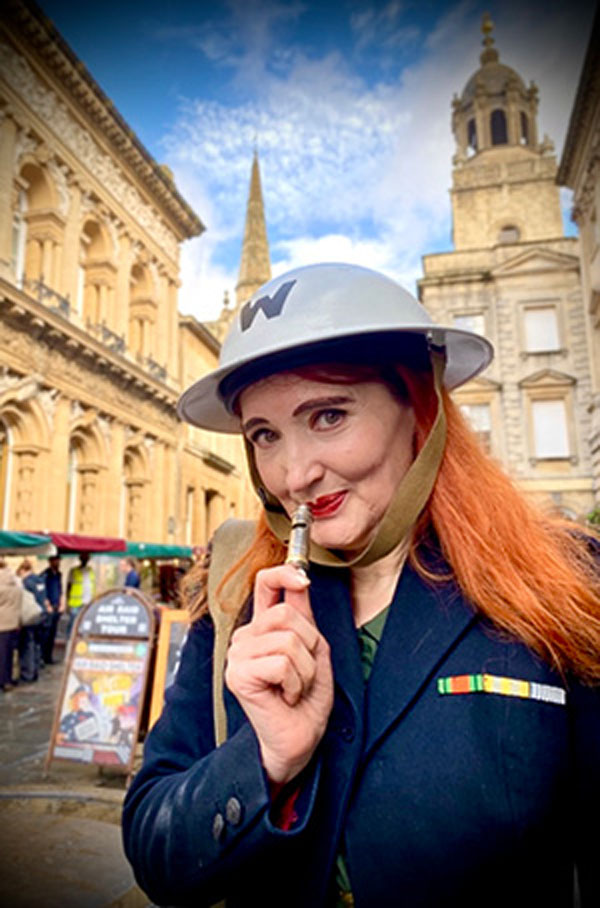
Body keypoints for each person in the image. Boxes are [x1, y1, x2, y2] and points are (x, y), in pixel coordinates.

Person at [122, 263, 600, 908]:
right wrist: (265, 760)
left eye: (327, 416)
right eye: (265, 435)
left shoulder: (565, 581)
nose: (294, 474)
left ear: (419, 407)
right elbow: (158, 852)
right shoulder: (238, 595)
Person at [16, 559, 46, 682]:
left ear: (23, 570)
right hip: (40, 614)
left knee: (27, 644)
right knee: (36, 644)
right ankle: (35, 670)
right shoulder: (40, 580)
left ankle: (27, 673)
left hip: (28, 617)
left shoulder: (26, 583)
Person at [0, 558, 21, 692]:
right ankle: (7, 680)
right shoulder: (16, 586)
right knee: (8, 654)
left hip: (1, 623)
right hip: (13, 623)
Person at [40, 554, 64, 665]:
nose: (58, 563)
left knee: (52, 634)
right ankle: (42, 657)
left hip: (56, 607)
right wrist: (47, 605)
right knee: (45, 634)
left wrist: (62, 603)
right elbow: (42, 592)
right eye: (55, 561)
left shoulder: (58, 574)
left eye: (58, 560)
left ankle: (48, 657)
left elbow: (60, 590)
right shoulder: (45, 575)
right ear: (50, 561)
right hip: (48, 608)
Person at [65, 552, 96, 637]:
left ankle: (81, 642)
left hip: (87, 602)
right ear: (80, 558)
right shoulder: (73, 571)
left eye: (87, 557)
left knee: (85, 624)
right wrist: (67, 603)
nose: (85, 559)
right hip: (75, 603)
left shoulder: (91, 571)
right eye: (83, 557)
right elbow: (68, 587)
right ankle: (70, 641)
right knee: (73, 624)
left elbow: (93, 587)